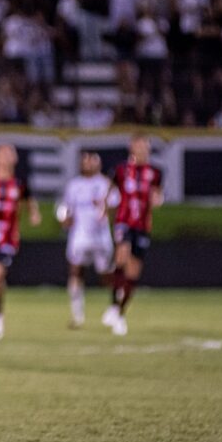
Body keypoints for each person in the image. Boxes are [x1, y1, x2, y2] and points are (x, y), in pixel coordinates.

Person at [0, 144, 41, 339]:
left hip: (7, 239)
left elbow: (29, 202)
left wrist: (33, 214)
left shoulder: (19, 185)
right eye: (2, 153)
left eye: (9, 153)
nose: (5, 156)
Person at [102, 134, 163, 335]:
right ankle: (112, 305)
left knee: (133, 273)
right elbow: (108, 191)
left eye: (146, 145)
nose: (143, 149)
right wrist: (103, 208)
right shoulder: (120, 170)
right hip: (124, 223)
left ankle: (120, 314)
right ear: (132, 147)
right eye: (140, 145)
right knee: (122, 255)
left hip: (142, 226)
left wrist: (158, 199)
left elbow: (157, 195)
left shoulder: (155, 172)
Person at [57, 151, 115, 329]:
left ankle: (115, 306)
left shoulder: (106, 184)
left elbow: (115, 206)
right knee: (75, 271)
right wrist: (65, 219)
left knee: (105, 274)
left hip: (100, 236)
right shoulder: (74, 185)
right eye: (85, 161)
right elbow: (66, 209)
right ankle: (77, 314)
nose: (88, 164)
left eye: (91, 161)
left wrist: (107, 211)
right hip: (79, 236)